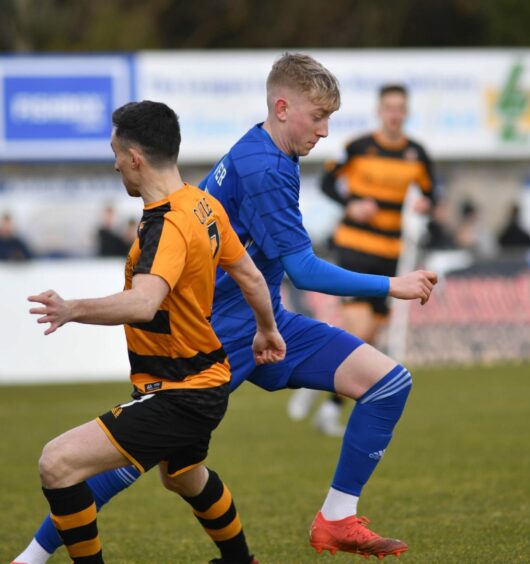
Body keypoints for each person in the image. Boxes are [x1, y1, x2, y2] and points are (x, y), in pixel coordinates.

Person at [15, 53, 436, 564]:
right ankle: (33, 557)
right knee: (137, 461)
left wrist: (267, 323)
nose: (325, 131)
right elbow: (303, 270)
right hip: (212, 337)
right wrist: (393, 283)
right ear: (283, 107)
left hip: (263, 322)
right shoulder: (265, 167)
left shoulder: (265, 153)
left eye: (330, 118)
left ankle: (335, 519)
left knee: (389, 383)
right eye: (318, 117)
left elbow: (253, 270)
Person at [21, 101, 284, 564]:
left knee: (57, 463)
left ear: (135, 157)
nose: (115, 161)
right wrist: (267, 329)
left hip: (180, 393)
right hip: (204, 379)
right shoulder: (203, 204)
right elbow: (251, 276)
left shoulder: (167, 223)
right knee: (183, 476)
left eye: (116, 152)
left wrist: (71, 308)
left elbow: (144, 302)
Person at [287, 83, 435, 436]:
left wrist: (425, 204)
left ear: (406, 113)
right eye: (389, 108)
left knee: (369, 336)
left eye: (400, 108)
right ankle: (321, 388)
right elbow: (327, 182)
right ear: (380, 112)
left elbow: (431, 192)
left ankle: (327, 400)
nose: (395, 115)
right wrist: (351, 203)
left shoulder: (417, 154)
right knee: (360, 328)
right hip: (355, 245)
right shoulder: (358, 147)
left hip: (390, 253)